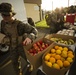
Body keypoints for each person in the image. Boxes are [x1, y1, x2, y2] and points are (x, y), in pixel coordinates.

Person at [0, 2, 38, 75]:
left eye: (6, 15)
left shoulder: (20, 25)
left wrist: (30, 37)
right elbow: (2, 32)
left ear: (12, 14)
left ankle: (30, 65)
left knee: (28, 60)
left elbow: (34, 30)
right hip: (12, 48)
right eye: (2, 14)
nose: (4, 17)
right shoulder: (3, 23)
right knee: (14, 63)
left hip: (22, 47)